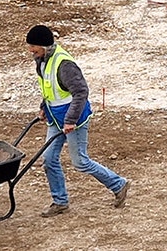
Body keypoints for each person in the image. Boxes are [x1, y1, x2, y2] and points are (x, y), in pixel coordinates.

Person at [25, 24, 129, 217]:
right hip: (56, 119)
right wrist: (43, 108)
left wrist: (70, 120)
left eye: (34, 46)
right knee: (48, 159)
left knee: (80, 162)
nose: (30, 50)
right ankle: (60, 201)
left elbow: (81, 92)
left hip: (75, 119)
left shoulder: (64, 64)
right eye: (29, 46)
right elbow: (49, 88)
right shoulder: (41, 61)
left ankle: (119, 184)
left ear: (45, 46)